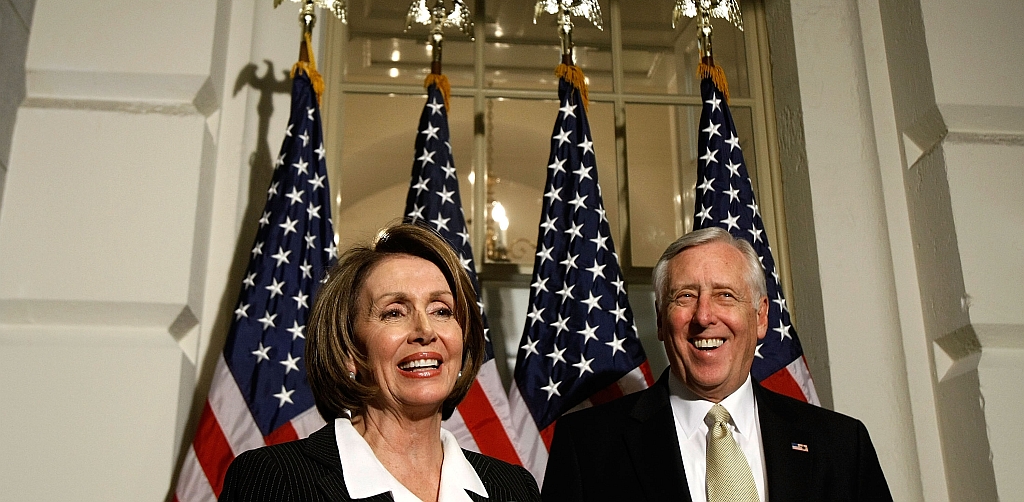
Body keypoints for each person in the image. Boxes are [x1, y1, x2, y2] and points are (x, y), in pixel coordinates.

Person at [541, 227, 892, 502]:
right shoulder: (587, 447)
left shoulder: (842, 445)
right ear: (661, 322)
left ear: (761, 317)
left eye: (725, 294)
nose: (704, 316)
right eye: (686, 296)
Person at [220, 222, 540, 502]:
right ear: (348, 350)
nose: (425, 331)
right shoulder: (275, 480)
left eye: (441, 310)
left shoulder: (513, 489)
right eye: (394, 312)